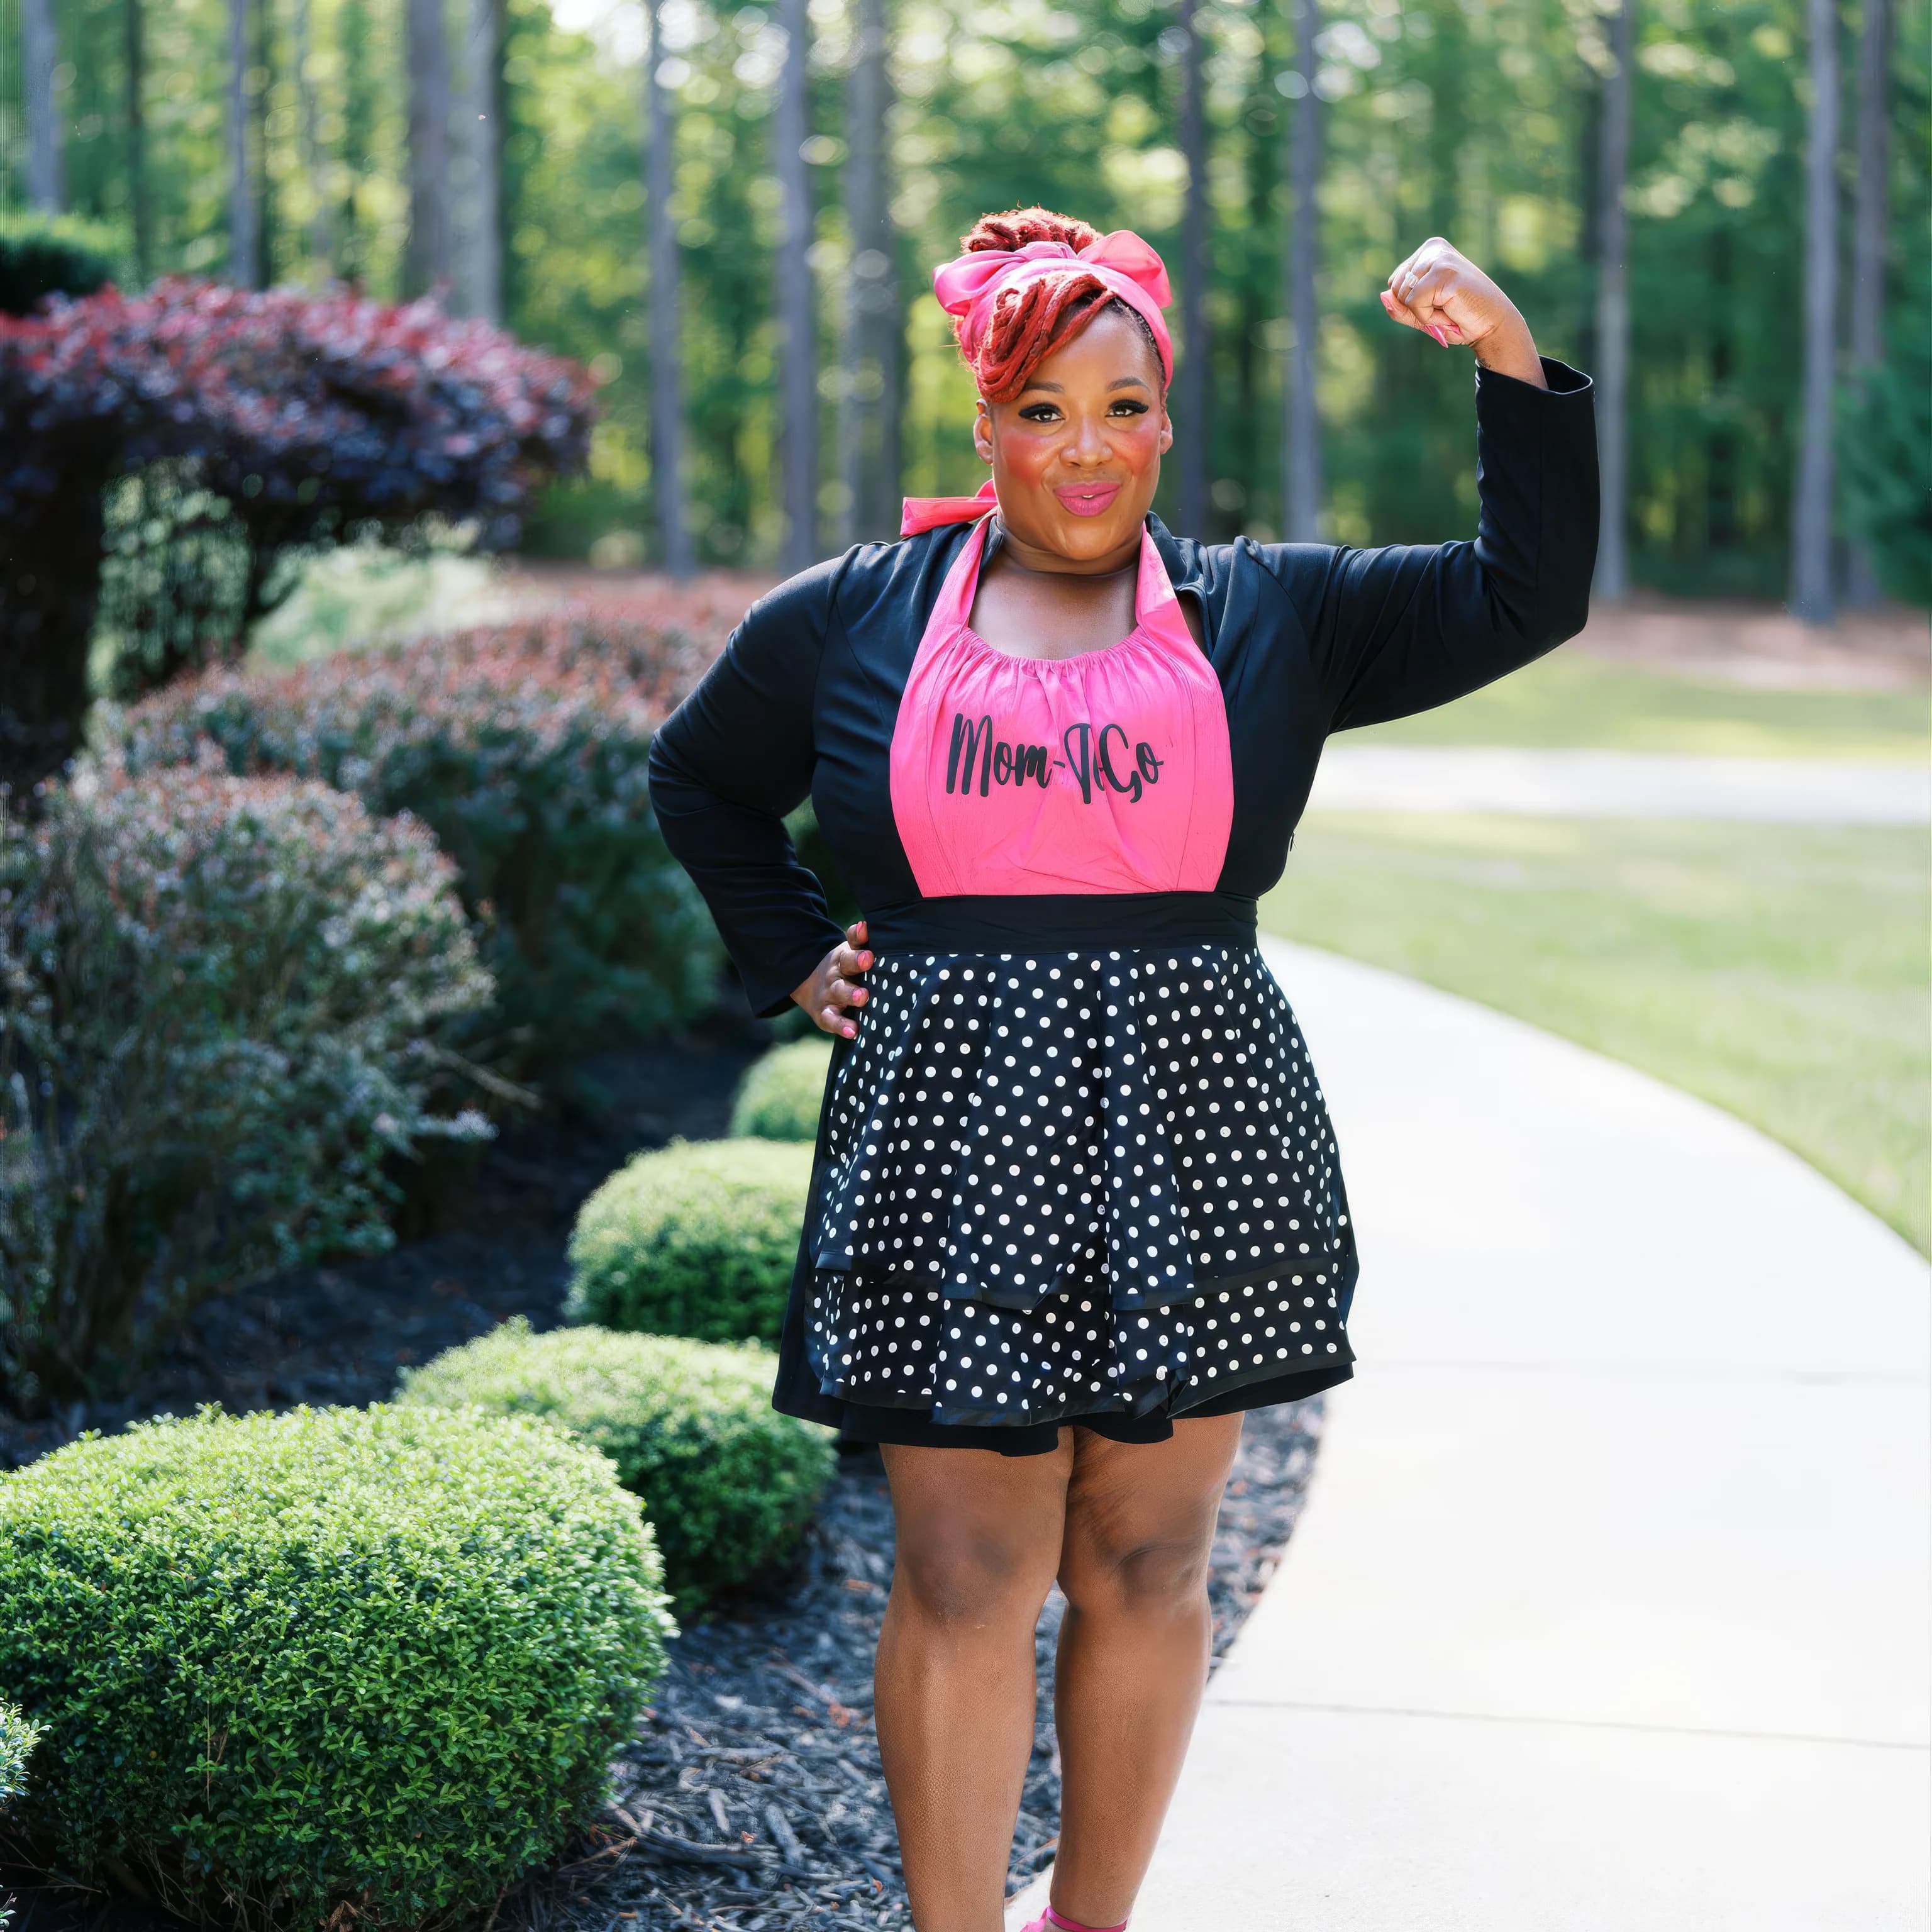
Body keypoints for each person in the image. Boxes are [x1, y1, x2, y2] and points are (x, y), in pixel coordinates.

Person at [647, 206, 1598, 1932]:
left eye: (1123, 408)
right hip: (955, 1132)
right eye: (1043, 411)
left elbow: (1525, 594)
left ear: (1166, 423)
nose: (1085, 449)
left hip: (1194, 1122)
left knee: (1149, 1558)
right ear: (987, 424)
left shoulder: (1276, 611)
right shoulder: (850, 616)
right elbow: (700, 776)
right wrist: (790, 949)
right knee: (966, 1569)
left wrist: (1508, 356)